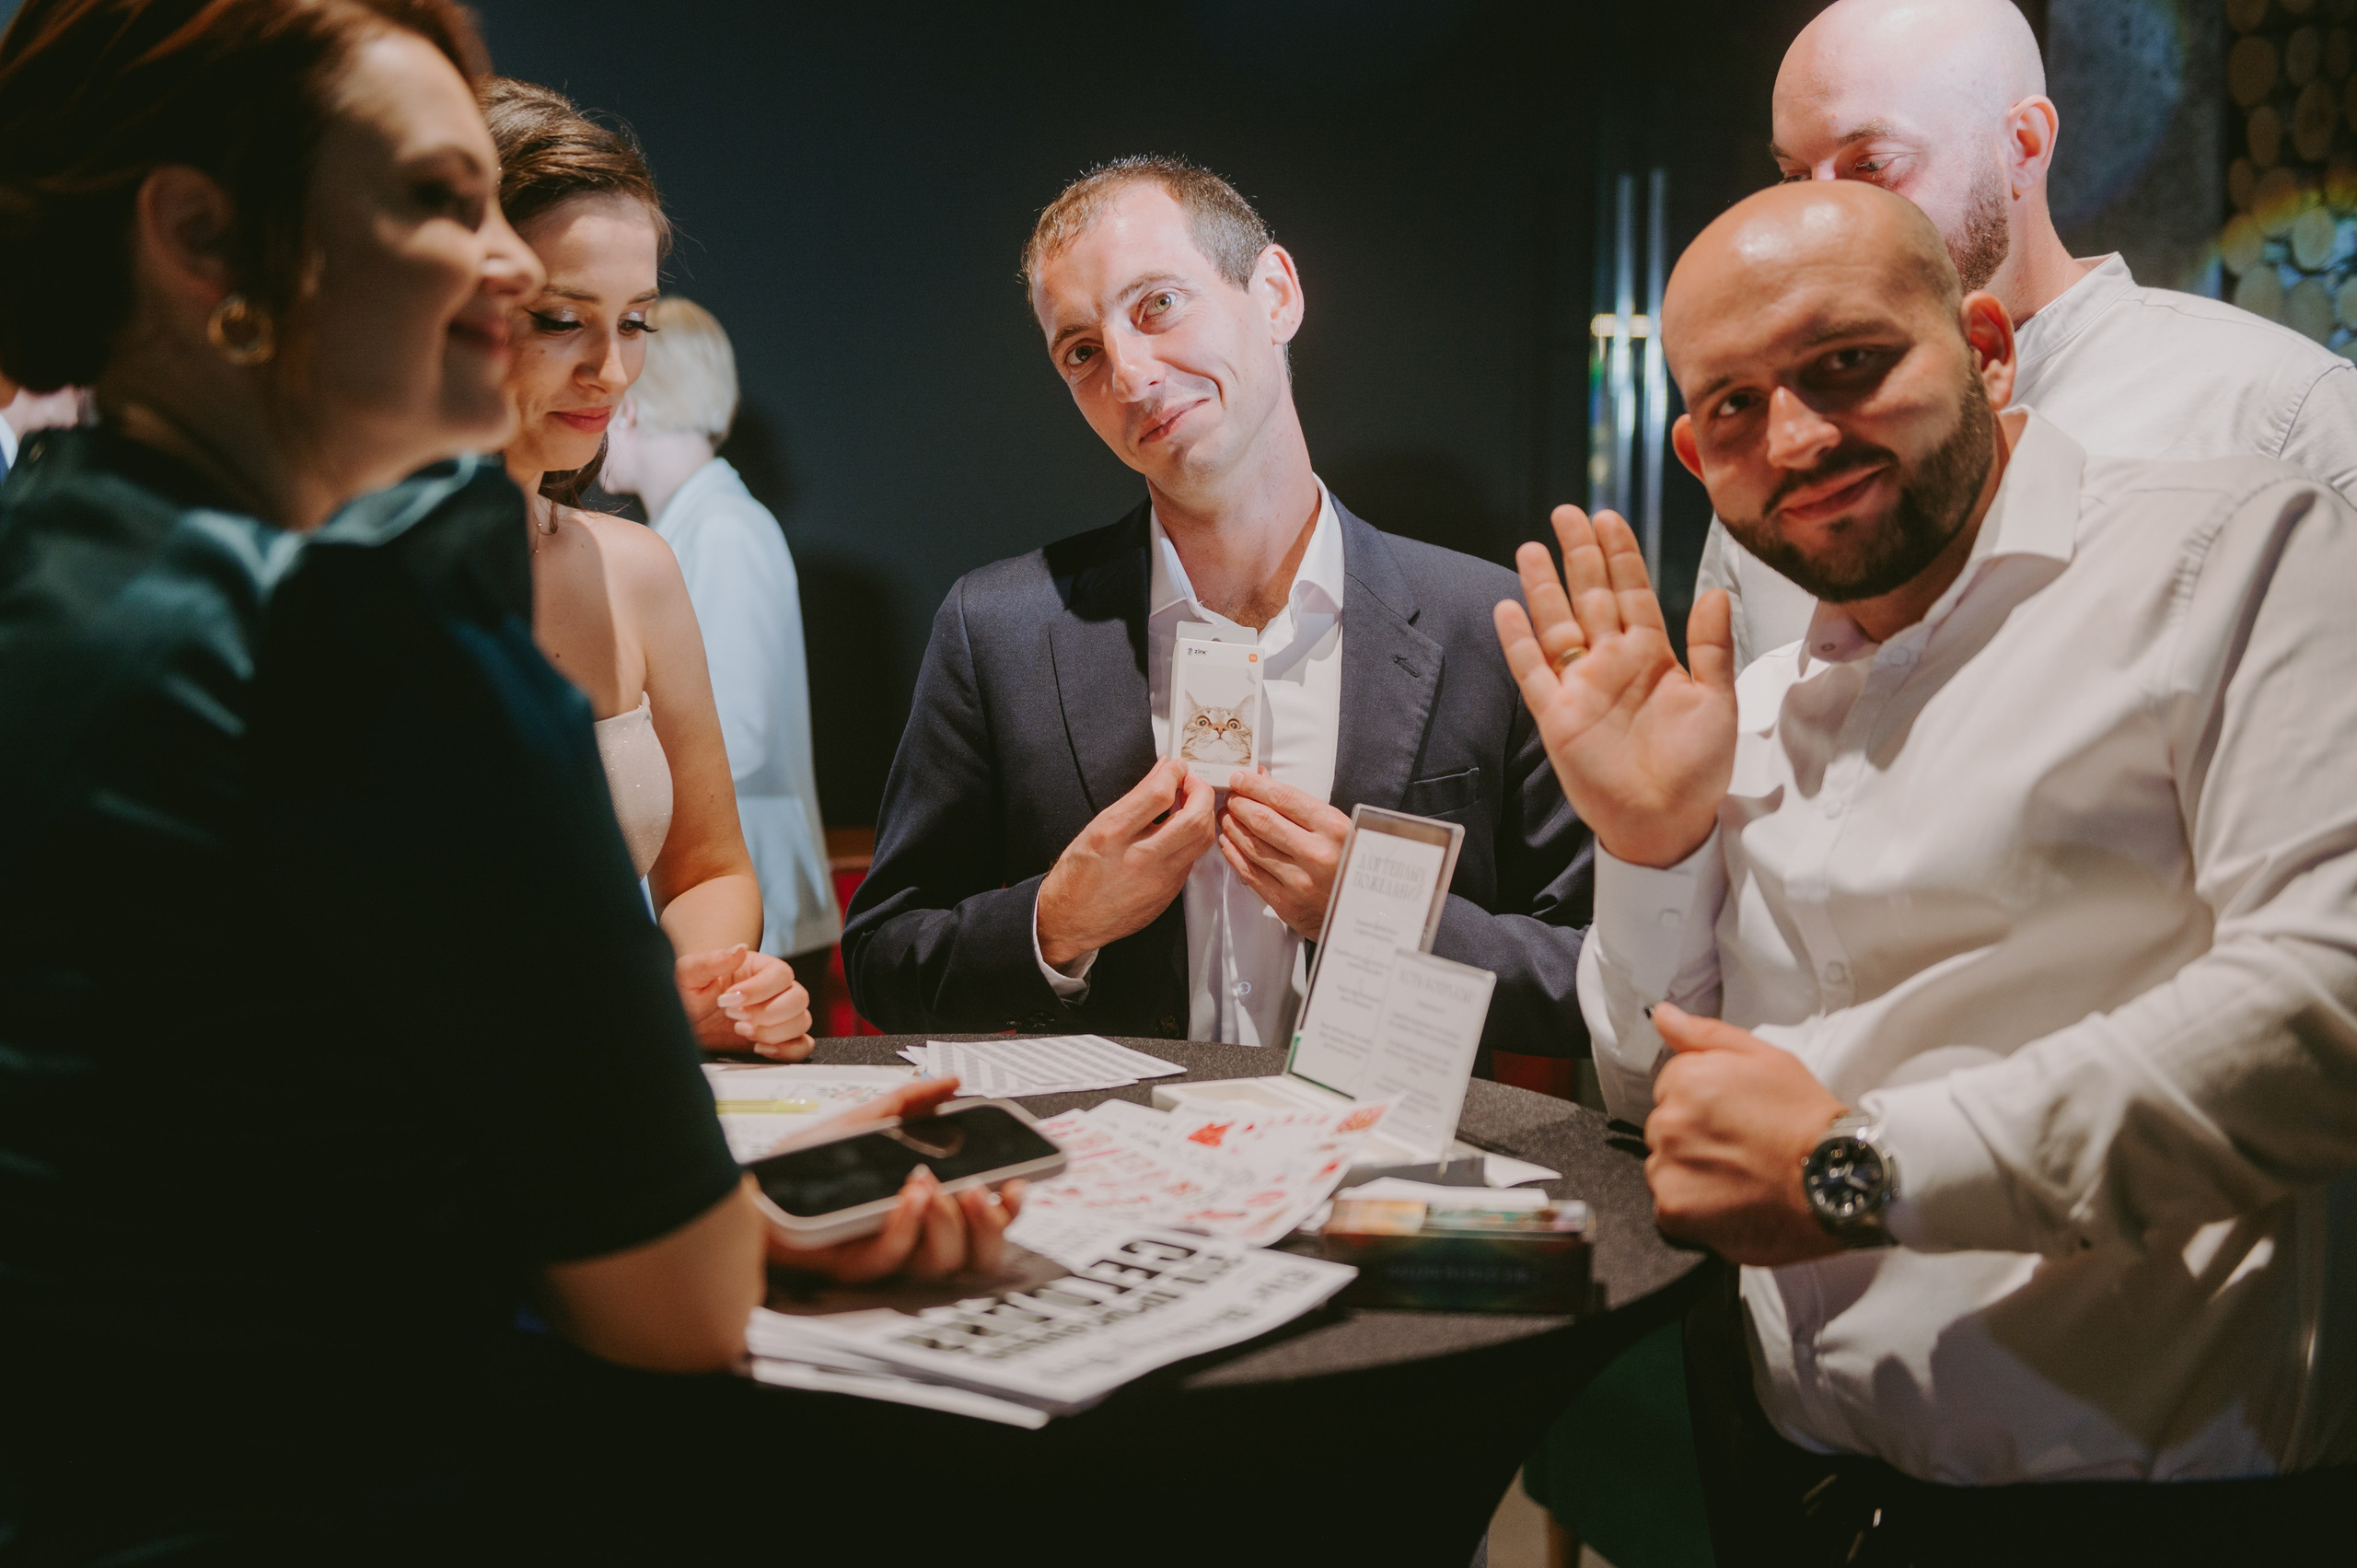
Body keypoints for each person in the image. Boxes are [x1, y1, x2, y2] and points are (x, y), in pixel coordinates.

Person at [0, 5, 1016, 1560]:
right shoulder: (372, 628)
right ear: (202, 237)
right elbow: (670, 1303)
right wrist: (752, 1232)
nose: (507, 268)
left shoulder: (55, 558)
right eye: (435, 198)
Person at [1498, 180, 2357, 1562]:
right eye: (1734, 405)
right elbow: (1660, 1091)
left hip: (2152, 1512)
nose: (1794, 436)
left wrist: (1861, 1167)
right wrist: (1647, 838)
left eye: (1848, 364)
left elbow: (2326, 1004)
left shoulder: (2234, 548)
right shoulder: (1759, 701)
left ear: (1987, 345)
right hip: (1800, 1488)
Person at [842, 156, 1590, 1059]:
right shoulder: (998, 629)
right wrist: (1054, 920)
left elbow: (1595, 974)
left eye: (1156, 304)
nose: (1128, 373)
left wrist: (1382, 920)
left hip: (1389, 1177)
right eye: (1080, 350)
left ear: (1274, 293)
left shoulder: (1486, 624)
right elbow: (884, 958)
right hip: (1117, 1178)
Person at [1697, 0, 2357, 671]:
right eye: (1795, 178)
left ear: (2024, 147)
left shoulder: (2278, 413)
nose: (1821, 218)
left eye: (1873, 165)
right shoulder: (1781, 459)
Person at [482, 78, 813, 1058]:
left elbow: (710, 868)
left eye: (634, 323)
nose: (612, 372)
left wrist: (708, 983)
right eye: (559, 320)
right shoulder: (313, 572)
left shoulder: (637, 571)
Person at [599, 296, 842, 971]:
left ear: (635, 402)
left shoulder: (725, 530)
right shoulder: (698, 525)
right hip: (734, 902)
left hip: (758, 915)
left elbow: (736, 733)